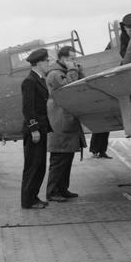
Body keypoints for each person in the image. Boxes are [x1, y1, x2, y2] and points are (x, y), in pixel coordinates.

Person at [91, 12, 131, 158]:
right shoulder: (121, 41)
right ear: (124, 28)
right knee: (104, 115)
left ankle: (100, 150)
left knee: (106, 117)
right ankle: (96, 150)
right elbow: (121, 55)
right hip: (119, 75)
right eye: (129, 29)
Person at [45, 46, 86, 201]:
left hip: (66, 120)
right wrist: (72, 70)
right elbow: (70, 88)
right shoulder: (55, 74)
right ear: (62, 59)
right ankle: (52, 192)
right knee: (59, 159)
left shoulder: (63, 72)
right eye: (70, 58)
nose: (73, 61)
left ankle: (62, 189)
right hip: (59, 122)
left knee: (67, 158)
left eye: (74, 58)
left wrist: (76, 70)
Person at [20, 48, 52, 209]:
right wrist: (34, 129)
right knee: (33, 166)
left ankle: (33, 197)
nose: (49, 63)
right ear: (39, 63)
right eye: (47, 61)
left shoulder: (39, 79)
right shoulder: (29, 81)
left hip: (41, 129)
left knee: (39, 166)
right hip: (35, 131)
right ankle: (28, 201)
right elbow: (28, 108)